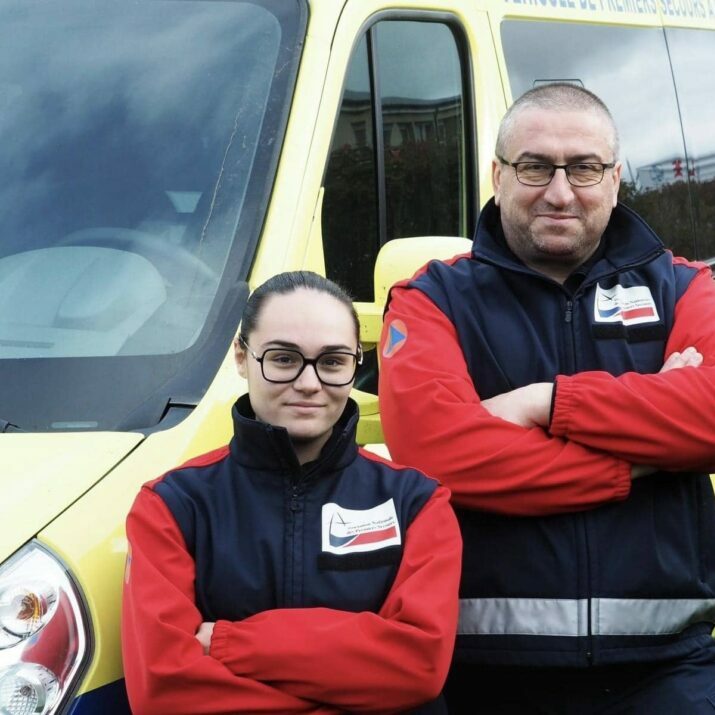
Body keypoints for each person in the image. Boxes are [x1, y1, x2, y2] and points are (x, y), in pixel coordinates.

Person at [378, 83, 715, 713]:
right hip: (480, 673)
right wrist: (645, 455)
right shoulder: (430, 299)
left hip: (667, 670)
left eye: (584, 168)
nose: (560, 192)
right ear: (498, 175)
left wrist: (547, 403)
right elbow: (440, 455)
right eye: (535, 167)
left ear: (615, 178)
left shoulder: (685, 287)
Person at [121, 270, 462, 715]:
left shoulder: (416, 502)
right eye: (283, 359)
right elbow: (164, 689)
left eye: (333, 361)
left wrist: (227, 643)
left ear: (356, 364)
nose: (309, 383)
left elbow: (418, 664)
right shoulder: (172, 507)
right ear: (241, 357)